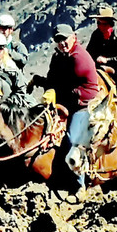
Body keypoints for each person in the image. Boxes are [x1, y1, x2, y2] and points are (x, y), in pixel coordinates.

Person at [30, 24, 105, 181]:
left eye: (64, 38)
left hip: (82, 105)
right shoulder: (58, 56)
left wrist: (56, 92)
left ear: (73, 37)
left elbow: (80, 89)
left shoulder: (79, 58)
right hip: (64, 101)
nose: (62, 43)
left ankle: (81, 182)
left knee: (74, 139)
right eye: (58, 40)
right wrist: (41, 83)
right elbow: (53, 80)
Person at [85, 5, 117, 100]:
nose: (100, 26)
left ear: (110, 23)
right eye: (98, 23)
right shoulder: (96, 34)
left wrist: (107, 60)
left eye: (103, 24)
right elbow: (89, 52)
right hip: (99, 65)